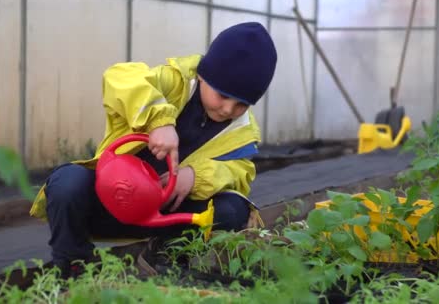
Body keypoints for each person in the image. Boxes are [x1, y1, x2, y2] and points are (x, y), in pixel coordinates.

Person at [29, 22, 277, 278]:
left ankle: (166, 258)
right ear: (203, 75)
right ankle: (73, 264)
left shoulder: (242, 131)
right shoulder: (173, 83)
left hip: (167, 217)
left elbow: (240, 172)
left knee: (233, 208)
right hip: (113, 200)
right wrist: (159, 120)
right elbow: (119, 77)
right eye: (222, 95)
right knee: (66, 182)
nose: (228, 109)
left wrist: (195, 176)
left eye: (241, 104)